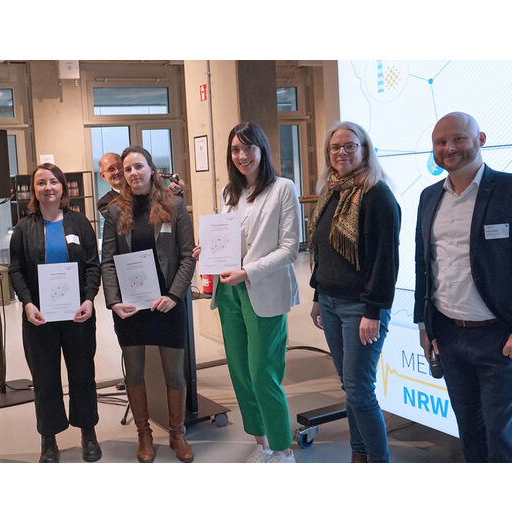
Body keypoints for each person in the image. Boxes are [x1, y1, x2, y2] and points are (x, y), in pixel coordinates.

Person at [415, 112, 512, 462]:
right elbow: (425, 266)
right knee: (469, 431)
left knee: (503, 436)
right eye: (440, 142)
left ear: (480, 139)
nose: (449, 148)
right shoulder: (429, 196)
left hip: (501, 338)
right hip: (449, 335)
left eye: (458, 139)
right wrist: (426, 324)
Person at [206, 122, 300, 463]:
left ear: (262, 150)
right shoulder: (228, 193)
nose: (242, 156)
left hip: (263, 289)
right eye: (235, 150)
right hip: (230, 291)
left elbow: (290, 248)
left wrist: (248, 270)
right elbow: (228, 240)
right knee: (241, 374)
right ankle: (262, 444)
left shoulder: (282, 189)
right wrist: (211, 250)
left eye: (248, 148)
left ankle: (283, 447)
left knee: (264, 374)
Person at [308, 121, 400, 463]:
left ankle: (377, 462)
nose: (342, 152)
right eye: (335, 147)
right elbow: (323, 251)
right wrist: (318, 297)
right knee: (350, 388)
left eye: (350, 146)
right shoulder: (332, 191)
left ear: (365, 150)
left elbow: (386, 262)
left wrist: (373, 312)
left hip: (361, 309)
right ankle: (358, 455)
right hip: (331, 304)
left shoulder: (377, 196)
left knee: (360, 392)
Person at [101, 145, 195, 463]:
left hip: (168, 303)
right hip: (131, 307)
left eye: (139, 167)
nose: (133, 173)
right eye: (127, 169)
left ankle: (177, 433)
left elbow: (186, 256)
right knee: (135, 373)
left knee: (175, 374)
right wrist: (114, 301)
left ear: (152, 170)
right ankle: (144, 434)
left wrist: (174, 295)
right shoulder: (114, 212)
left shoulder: (175, 206)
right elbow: (108, 262)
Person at [9, 163, 102, 463]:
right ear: (33, 190)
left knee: (83, 374)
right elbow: (16, 270)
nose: (47, 187)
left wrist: (89, 299)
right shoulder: (24, 228)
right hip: (40, 319)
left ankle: (88, 432)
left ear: (63, 187)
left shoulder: (79, 222)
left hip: (78, 315)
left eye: (53, 182)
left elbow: (92, 265)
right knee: (46, 378)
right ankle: (48, 439)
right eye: (41, 183)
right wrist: (27, 303)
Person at [97, 151, 185, 216]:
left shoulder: (147, 189)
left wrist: (174, 192)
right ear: (103, 176)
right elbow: (124, 218)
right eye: (111, 169)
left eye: (120, 166)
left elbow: (171, 210)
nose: (117, 172)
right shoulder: (104, 203)